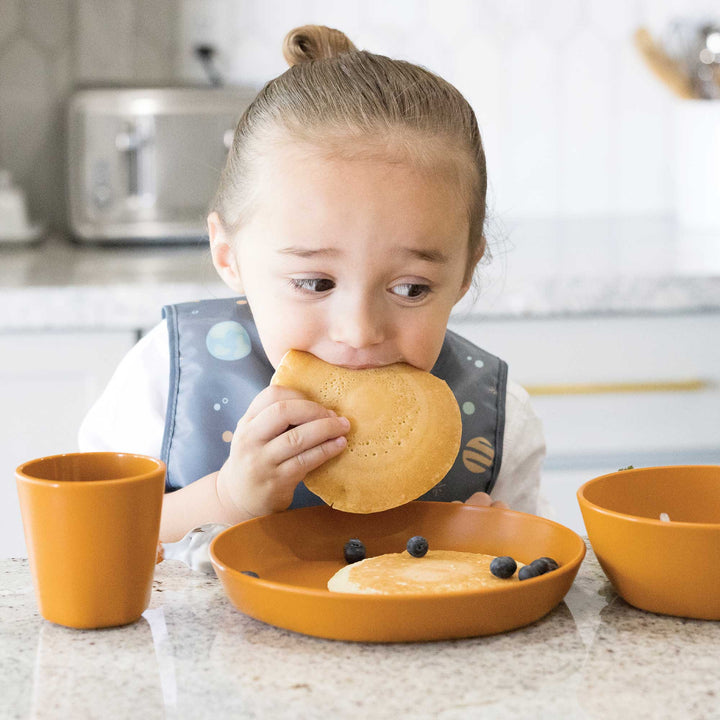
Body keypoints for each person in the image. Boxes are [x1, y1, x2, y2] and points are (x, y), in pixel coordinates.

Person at [79, 25, 547, 542]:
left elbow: (529, 566)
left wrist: (494, 543)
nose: (359, 331)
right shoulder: (166, 379)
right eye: (314, 282)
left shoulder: (498, 421)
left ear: (464, 272)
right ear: (228, 254)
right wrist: (228, 497)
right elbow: (93, 539)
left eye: (411, 289)